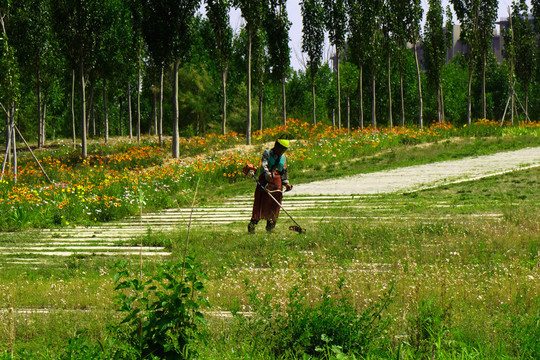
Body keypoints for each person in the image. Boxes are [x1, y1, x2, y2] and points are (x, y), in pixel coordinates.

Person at [248, 139, 292, 234]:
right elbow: (264, 166)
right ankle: (252, 225)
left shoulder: (283, 158)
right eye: (281, 148)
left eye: (284, 149)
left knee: (274, 205)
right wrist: (268, 175)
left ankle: (270, 227)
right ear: (276, 145)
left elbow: (284, 171)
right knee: (261, 204)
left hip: (277, 184)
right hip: (265, 182)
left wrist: (286, 183)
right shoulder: (267, 153)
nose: (282, 151)